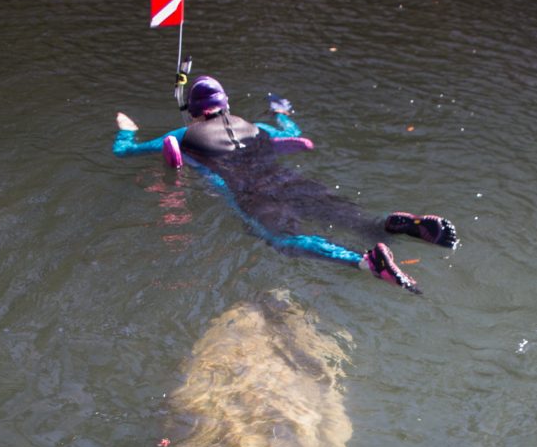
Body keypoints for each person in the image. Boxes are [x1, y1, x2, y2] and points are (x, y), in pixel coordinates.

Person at [113, 75, 458, 295]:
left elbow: (125, 152)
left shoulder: (183, 135)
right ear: (226, 106)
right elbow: (292, 135)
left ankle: (364, 262)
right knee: (339, 213)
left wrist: (126, 128)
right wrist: (281, 111)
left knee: (283, 239)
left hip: (251, 193)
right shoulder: (255, 127)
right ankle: (385, 225)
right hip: (288, 179)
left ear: (194, 111)